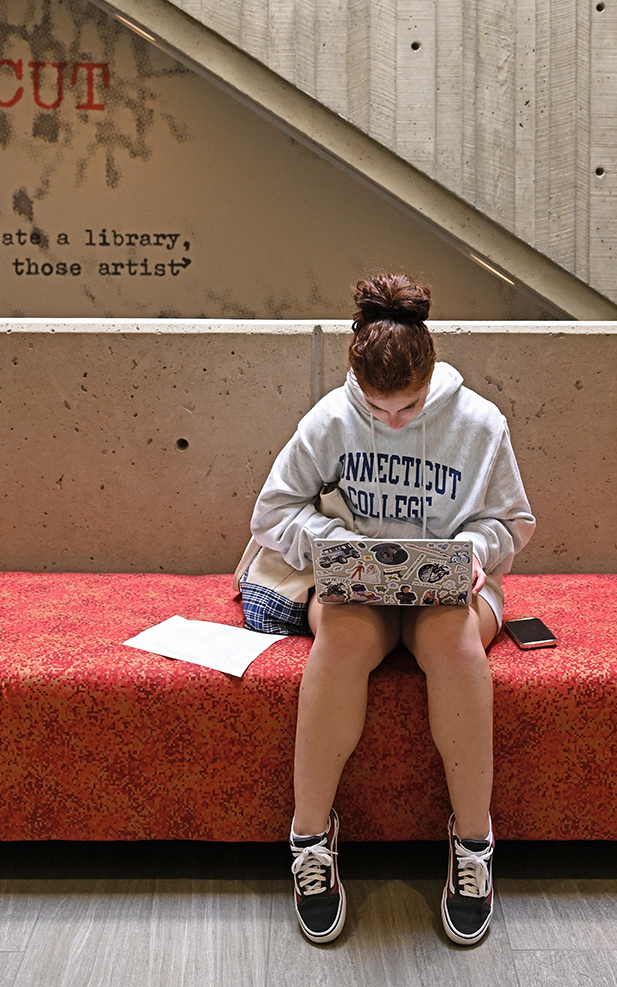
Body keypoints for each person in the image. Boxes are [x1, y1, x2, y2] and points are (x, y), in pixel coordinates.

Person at [247, 274, 535, 947]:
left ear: (430, 374)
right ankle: (310, 840)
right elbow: (270, 514)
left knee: (455, 643)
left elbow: (513, 523)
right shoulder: (330, 419)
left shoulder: (480, 423)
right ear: (356, 383)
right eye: (378, 410)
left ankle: (472, 846)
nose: (392, 422)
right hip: (358, 588)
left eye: (407, 408)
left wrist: (469, 551)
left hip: (453, 589)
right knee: (341, 641)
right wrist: (336, 545)